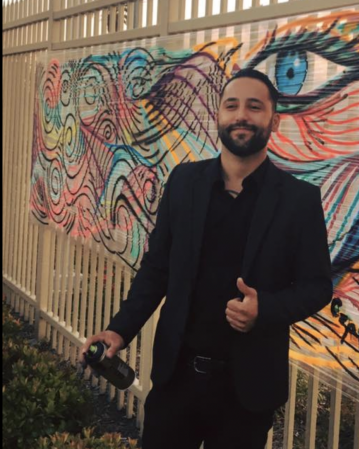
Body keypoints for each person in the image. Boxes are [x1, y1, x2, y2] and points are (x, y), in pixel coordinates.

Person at [79, 68, 333, 449]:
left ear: (274, 120)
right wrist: (119, 330)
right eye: (231, 105)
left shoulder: (299, 200)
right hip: (176, 380)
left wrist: (265, 309)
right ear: (218, 115)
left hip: (247, 394)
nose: (241, 115)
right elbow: (157, 268)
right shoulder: (184, 183)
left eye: (254, 106)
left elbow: (317, 287)